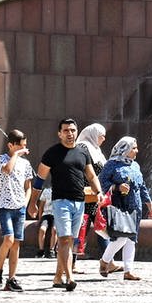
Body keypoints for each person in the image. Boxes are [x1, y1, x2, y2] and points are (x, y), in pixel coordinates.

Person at [32, 118, 101, 291]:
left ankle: (57, 278)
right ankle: (69, 278)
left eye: (72, 130)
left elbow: (91, 176)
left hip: (80, 202)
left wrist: (98, 192)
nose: (69, 134)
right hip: (60, 201)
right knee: (64, 239)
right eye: (66, 131)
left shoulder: (83, 152)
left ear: (77, 132)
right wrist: (33, 202)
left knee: (69, 241)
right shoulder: (52, 153)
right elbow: (39, 180)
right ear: (59, 133)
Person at [98, 136, 152, 281]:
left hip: (135, 207)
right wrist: (117, 187)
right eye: (134, 148)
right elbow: (101, 182)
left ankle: (128, 271)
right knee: (121, 238)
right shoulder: (112, 164)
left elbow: (142, 187)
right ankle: (105, 261)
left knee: (131, 239)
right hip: (120, 205)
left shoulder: (135, 166)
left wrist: (149, 205)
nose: (137, 151)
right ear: (125, 149)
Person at [0, 129, 34, 292]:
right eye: (20, 146)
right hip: (5, 207)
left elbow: (28, 186)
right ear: (11, 145)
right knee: (8, 240)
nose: (24, 149)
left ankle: (11, 279)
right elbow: (7, 170)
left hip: (20, 208)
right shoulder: (2, 158)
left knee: (16, 244)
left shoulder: (26, 164)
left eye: (25, 146)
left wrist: (26, 201)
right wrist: (16, 154)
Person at [74, 123, 107, 257]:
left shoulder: (96, 150)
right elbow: (79, 169)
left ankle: (108, 260)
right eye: (101, 136)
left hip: (96, 196)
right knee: (81, 228)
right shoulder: (83, 147)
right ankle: (72, 261)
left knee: (102, 228)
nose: (103, 139)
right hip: (85, 195)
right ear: (93, 135)